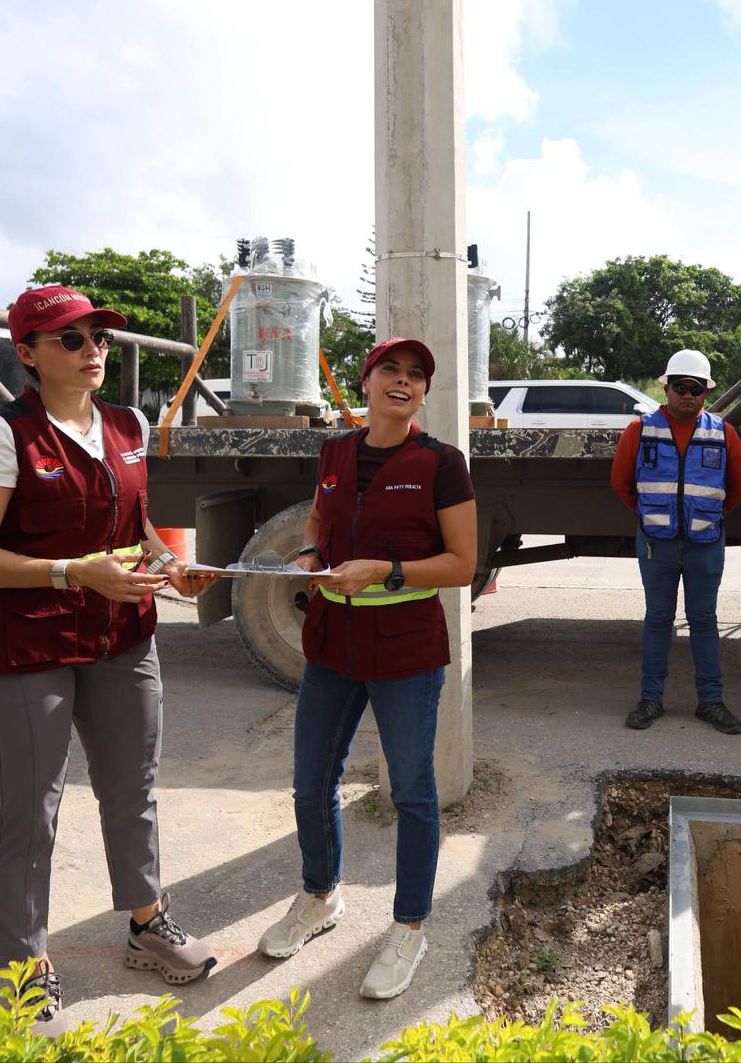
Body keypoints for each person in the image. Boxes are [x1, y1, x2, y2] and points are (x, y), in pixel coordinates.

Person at [0, 286, 218, 1025]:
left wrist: (168, 563)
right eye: (70, 338)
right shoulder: (1, 434)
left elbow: (136, 525)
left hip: (121, 635)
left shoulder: (127, 424)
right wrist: (72, 571)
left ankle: (146, 921)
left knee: (132, 787)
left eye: (99, 336)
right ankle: (23, 967)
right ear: (27, 353)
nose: (92, 349)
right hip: (26, 641)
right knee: (29, 811)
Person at [258, 337, 477, 1001]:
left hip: (404, 648)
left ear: (424, 392)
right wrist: (310, 554)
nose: (403, 381)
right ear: (368, 381)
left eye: (416, 374)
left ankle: (409, 927)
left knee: (411, 793)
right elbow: (318, 521)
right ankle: (320, 897)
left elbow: (461, 564)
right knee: (310, 782)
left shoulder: (441, 463)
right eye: (390, 370)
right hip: (333, 644)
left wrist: (386, 569)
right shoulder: (336, 453)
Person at [611, 349, 741, 734]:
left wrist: (707, 517)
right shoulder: (639, 430)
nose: (687, 395)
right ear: (666, 388)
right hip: (657, 542)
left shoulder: (723, 432)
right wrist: (650, 516)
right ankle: (650, 699)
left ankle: (711, 702)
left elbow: (740, 487)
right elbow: (621, 482)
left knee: (704, 620)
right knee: (658, 619)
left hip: (706, 542)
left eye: (696, 389)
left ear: (706, 391)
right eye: (680, 387)